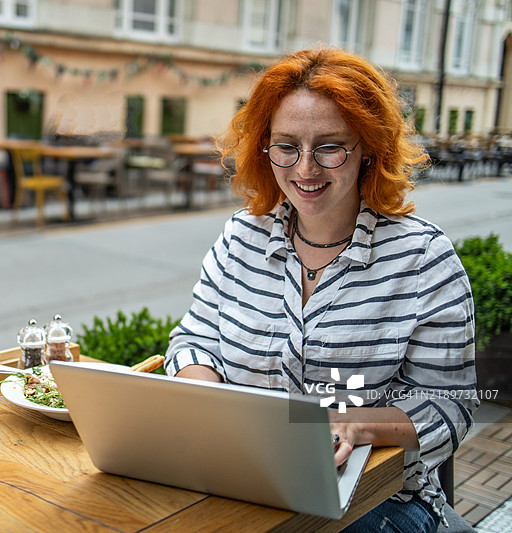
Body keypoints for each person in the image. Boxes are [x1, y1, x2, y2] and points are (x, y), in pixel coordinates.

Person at [164, 47, 478, 533]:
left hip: (377, 500)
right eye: (287, 146)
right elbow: (194, 340)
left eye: (330, 147)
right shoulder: (240, 237)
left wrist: (356, 424)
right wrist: (204, 397)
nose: (305, 168)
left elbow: (450, 404)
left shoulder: (423, 258)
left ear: (369, 147)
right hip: (242, 477)